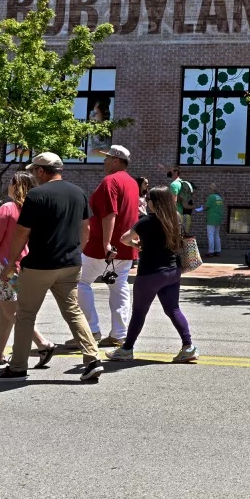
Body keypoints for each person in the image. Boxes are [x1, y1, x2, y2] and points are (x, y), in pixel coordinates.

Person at [0, 152, 104, 383]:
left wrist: (11, 263)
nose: (33, 175)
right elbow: (86, 230)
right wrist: (76, 252)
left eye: (33, 171)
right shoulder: (78, 193)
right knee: (73, 311)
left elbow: (22, 232)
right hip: (70, 264)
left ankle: (18, 367)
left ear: (41, 171)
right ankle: (92, 359)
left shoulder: (36, 195)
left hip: (40, 264)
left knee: (25, 314)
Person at [108, 186, 197, 363]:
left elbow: (124, 238)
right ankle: (188, 347)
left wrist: (137, 245)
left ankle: (126, 349)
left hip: (150, 273)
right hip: (172, 271)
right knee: (173, 309)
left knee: (139, 312)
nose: (146, 202)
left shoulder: (145, 221)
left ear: (154, 203)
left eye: (148, 199)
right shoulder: (176, 218)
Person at [0, 172, 57, 368]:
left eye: (11, 182)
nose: (8, 185)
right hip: (28, 265)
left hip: (8, 264)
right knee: (6, 307)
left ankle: (42, 343)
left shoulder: (7, 208)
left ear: (16, 186)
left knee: (10, 309)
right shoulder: (33, 209)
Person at [75, 145, 140, 349]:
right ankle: (119, 334)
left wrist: (106, 243)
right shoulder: (132, 183)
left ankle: (92, 330)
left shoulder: (110, 181)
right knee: (119, 287)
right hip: (126, 245)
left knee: (80, 282)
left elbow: (109, 214)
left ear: (115, 160)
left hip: (101, 246)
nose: (104, 162)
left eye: (107, 158)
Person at [198, 183, 225, 257]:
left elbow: (206, 207)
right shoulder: (219, 197)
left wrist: (201, 208)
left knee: (210, 235)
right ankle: (218, 251)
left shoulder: (211, 197)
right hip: (218, 218)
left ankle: (211, 251)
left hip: (211, 218)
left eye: (209, 188)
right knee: (217, 235)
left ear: (211, 189)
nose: (208, 189)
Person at [167, 166, 194, 234]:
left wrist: (171, 214)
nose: (169, 172)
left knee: (173, 236)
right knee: (180, 235)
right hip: (181, 213)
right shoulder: (181, 183)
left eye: (171, 171)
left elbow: (174, 200)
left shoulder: (173, 185)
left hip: (175, 214)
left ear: (176, 173)